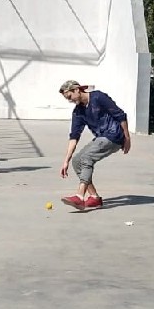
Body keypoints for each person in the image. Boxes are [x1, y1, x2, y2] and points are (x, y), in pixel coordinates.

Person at [58, 80, 131, 211]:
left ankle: (79, 196)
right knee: (77, 161)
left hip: (114, 135)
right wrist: (66, 161)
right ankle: (94, 197)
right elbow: (74, 137)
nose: (70, 101)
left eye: (70, 97)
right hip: (101, 138)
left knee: (87, 158)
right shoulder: (78, 112)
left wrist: (127, 137)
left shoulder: (98, 97)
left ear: (77, 90)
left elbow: (120, 115)